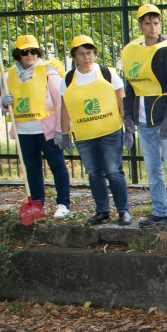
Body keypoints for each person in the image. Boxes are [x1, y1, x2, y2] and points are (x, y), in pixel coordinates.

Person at [122, 4, 167, 228]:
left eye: (156, 23)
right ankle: (159, 211)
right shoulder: (133, 52)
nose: (152, 27)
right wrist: (128, 118)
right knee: (152, 169)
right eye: (148, 23)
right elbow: (130, 85)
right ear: (140, 25)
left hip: (164, 118)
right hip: (143, 120)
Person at [59, 35, 129, 225]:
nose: (86, 57)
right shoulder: (68, 79)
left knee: (114, 171)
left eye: (89, 53)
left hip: (110, 131)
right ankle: (102, 210)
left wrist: (128, 126)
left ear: (94, 54)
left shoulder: (107, 73)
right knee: (94, 173)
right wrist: (64, 134)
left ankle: (123, 211)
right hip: (84, 135)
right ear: (75, 56)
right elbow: (65, 108)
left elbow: (121, 99)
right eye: (81, 54)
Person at [0, 34, 71, 218]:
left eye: (33, 51)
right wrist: (4, 103)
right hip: (24, 131)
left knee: (57, 166)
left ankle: (63, 204)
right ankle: (37, 204)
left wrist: (60, 130)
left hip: (47, 131)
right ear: (18, 54)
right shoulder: (9, 75)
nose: (29, 55)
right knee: (32, 169)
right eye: (24, 52)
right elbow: (6, 107)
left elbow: (61, 102)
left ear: (38, 52)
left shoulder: (48, 72)